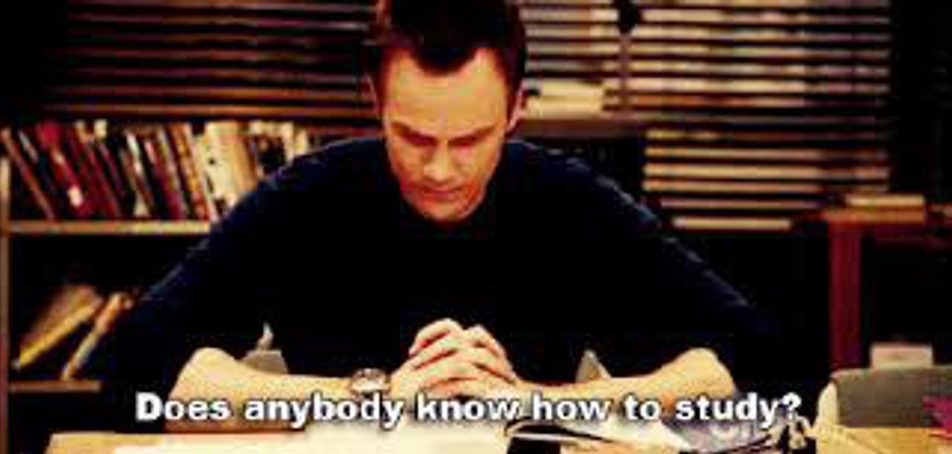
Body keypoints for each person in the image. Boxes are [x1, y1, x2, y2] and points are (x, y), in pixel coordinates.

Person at [91, 0, 776, 430]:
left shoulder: (573, 203)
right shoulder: (308, 198)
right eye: (413, 137)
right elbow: (132, 376)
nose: (441, 170)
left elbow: (763, 368)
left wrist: (540, 406)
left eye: (471, 139)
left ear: (516, 110)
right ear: (374, 100)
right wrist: (370, 401)